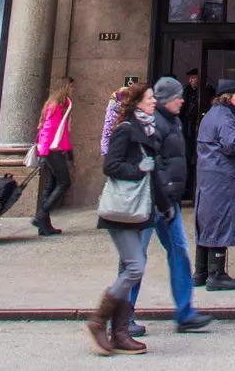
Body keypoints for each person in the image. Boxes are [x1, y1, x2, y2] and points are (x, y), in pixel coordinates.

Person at [133, 77, 211, 333]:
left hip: (169, 203)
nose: (182, 100)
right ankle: (121, 318)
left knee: (179, 252)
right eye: (177, 97)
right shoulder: (152, 124)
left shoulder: (174, 121)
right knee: (135, 260)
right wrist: (162, 197)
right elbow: (150, 165)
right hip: (151, 203)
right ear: (166, 99)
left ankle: (185, 312)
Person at [89, 84, 160, 355]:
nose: (154, 101)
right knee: (134, 268)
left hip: (139, 208)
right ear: (138, 102)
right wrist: (138, 170)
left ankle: (119, 333)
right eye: (150, 97)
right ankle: (100, 322)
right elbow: (111, 165)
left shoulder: (146, 129)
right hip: (122, 209)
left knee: (131, 267)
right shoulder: (125, 129)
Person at [193, 77, 235, 291]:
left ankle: (201, 272)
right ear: (228, 98)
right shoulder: (226, 118)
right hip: (223, 178)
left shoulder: (210, 115)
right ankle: (217, 274)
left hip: (208, 177)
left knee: (207, 221)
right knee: (220, 221)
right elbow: (232, 145)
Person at [34, 79, 74, 237]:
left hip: (55, 149)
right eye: (71, 86)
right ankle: (41, 214)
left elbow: (61, 130)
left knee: (50, 185)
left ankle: (44, 225)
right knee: (64, 182)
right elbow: (48, 129)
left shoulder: (59, 104)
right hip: (52, 150)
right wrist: (43, 152)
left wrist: (68, 149)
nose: (73, 89)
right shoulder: (57, 105)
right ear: (65, 87)